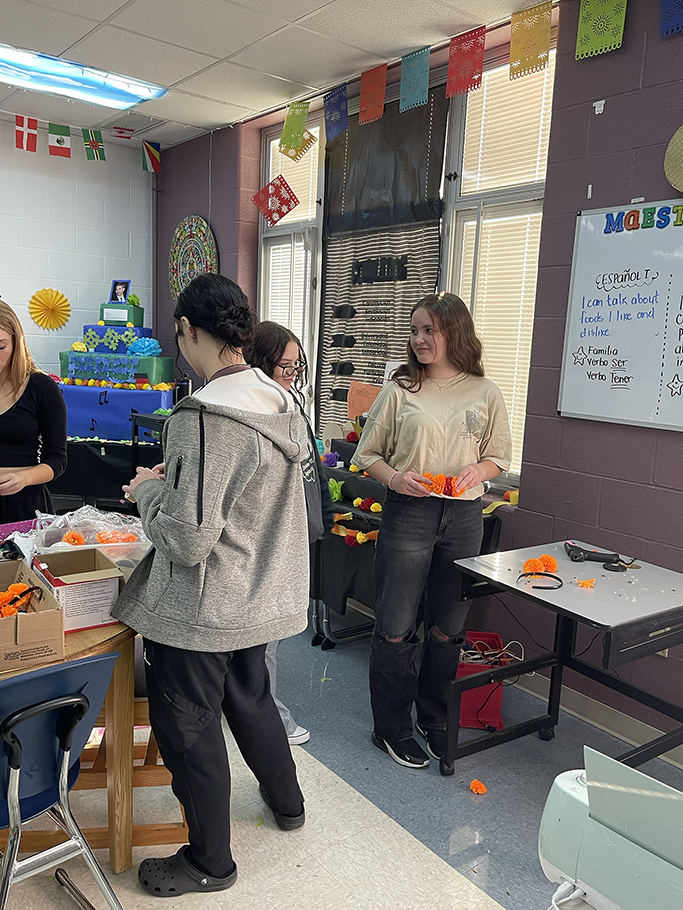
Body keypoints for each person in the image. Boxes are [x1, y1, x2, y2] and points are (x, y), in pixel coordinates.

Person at [112, 274, 310, 897]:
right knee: (252, 704)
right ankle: (288, 803)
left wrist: (148, 492)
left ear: (192, 332)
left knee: (190, 731)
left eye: (179, 336)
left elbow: (189, 539)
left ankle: (209, 862)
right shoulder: (281, 403)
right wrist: (173, 485)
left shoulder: (204, 417)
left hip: (204, 608)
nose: (179, 347)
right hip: (260, 596)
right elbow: (245, 502)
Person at [351, 293, 512, 769]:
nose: (419, 339)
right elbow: (368, 454)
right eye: (415, 330)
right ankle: (392, 727)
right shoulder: (401, 388)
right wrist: (395, 478)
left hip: (463, 518)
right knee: (397, 626)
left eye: (430, 331)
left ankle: (435, 717)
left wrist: (478, 473)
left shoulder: (485, 391)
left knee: (448, 628)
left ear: (454, 334)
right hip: (409, 513)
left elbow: (498, 454)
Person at [245, 321, 334, 746]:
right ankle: (269, 719)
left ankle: (256, 710)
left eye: (298, 366)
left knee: (268, 635)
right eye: (286, 365)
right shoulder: (257, 408)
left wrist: (318, 519)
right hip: (265, 537)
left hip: (290, 530)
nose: (293, 373)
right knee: (265, 637)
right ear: (260, 363)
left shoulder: (289, 402)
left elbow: (307, 471)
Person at [0, 299, 67, 524]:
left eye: (1, 347)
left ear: (16, 343)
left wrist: (24, 478)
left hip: (25, 506)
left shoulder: (41, 387)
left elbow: (57, 459)